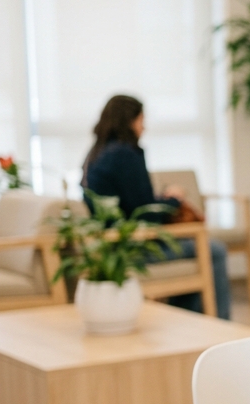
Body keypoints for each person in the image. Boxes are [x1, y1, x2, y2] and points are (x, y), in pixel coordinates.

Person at [82, 94, 232, 320]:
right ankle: (219, 325)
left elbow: (131, 204)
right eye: (142, 120)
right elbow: (146, 214)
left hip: (110, 248)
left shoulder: (97, 154)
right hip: (135, 248)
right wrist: (174, 200)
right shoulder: (125, 154)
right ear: (129, 121)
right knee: (215, 250)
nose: (145, 127)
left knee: (202, 248)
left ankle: (188, 320)